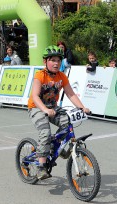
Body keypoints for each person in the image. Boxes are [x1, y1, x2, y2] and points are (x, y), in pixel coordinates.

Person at [28, 45, 90, 180]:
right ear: (45, 61)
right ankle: (41, 167)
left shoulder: (62, 76)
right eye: (53, 60)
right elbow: (35, 96)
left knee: (67, 123)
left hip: (52, 107)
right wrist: (45, 110)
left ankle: (57, 147)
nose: (56, 63)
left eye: (58, 60)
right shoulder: (40, 75)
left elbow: (71, 94)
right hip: (37, 107)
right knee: (45, 133)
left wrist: (82, 107)